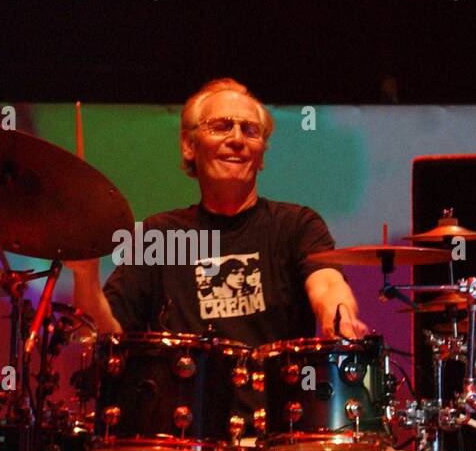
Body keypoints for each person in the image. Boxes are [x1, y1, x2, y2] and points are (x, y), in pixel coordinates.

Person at [71, 77, 367, 344]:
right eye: (222, 126)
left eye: (250, 131)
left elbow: (328, 285)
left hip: (279, 403)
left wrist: (339, 318)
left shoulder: (297, 226)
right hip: (186, 402)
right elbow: (101, 337)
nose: (237, 139)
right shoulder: (158, 236)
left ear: (261, 154)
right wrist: (86, 277)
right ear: (189, 145)